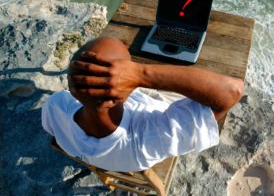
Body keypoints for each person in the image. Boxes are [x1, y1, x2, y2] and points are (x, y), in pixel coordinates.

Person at [42, 37, 244, 172]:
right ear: (118, 95)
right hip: (135, 147)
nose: (131, 69)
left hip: (102, 157)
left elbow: (54, 132)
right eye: (127, 70)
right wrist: (141, 74)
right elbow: (232, 90)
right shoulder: (151, 139)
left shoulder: (56, 106)